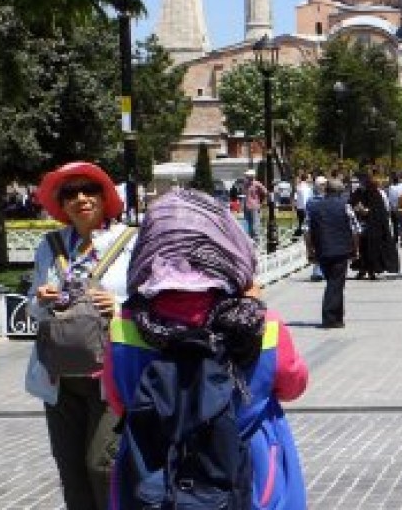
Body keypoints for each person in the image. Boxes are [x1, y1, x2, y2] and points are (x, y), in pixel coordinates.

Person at [102, 189, 308, 509]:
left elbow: (118, 400)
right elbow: (293, 384)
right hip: (251, 470)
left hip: (155, 475)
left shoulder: (125, 324)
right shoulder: (259, 321)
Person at [26, 162, 138, 510]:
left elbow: (152, 300)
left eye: (90, 190)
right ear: (61, 203)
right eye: (70, 193)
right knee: (71, 471)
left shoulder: (131, 242)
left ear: (105, 198)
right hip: (60, 378)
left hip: (110, 374)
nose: (81, 198)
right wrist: (40, 299)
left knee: (103, 466)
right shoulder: (50, 246)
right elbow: (32, 308)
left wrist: (119, 306)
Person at [304, 177, 360, 329]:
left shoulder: (313, 207)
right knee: (335, 283)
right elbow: (356, 230)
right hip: (341, 250)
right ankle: (329, 318)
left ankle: (338, 316)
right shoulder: (345, 206)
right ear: (340, 192)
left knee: (334, 282)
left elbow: (307, 231)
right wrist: (355, 249)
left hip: (322, 250)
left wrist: (310, 250)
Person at [350, 172, 395, 280]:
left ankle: (372, 270)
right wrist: (356, 208)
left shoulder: (375, 193)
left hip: (374, 226)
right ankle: (362, 269)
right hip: (360, 225)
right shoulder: (357, 192)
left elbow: (380, 210)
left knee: (372, 249)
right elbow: (351, 204)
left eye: (359, 181)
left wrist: (368, 211)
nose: (357, 184)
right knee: (361, 249)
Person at [241, 169, 268, 241]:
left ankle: (257, 238)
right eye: (246, 176)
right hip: (247, 206)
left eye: (248, 176)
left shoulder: (257, 184)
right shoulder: (245, 184)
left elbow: (265, 192)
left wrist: (262, 202)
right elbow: (245, 195)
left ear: (252, 176)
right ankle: (250, 238)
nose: (247, 177)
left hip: (255, 206)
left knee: (255, 223)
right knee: (248, 223)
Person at [292, 173, 314, 239]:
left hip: (299, 208)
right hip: (305, 208)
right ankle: (304, 237)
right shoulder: (307, 188)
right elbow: (308, 198)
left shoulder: (298, 187)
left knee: (301, 223)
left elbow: (295, 198)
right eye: (309, 178)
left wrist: (295, 206)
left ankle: (298, 235)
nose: (311, 179)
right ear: (306, 179)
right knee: (306, 225)